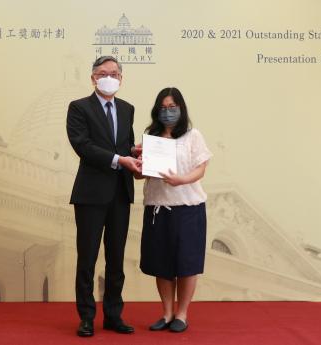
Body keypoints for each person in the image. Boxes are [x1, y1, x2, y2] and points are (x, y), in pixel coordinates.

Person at [66, 56, 142, 337]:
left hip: (120, 193)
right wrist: (119, 159)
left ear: (121, 79)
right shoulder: (78, 108)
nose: (108, 77)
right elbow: (82, 145)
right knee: (87, 258)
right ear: (93, 78)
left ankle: (113, 315)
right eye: (102, 73)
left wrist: (137, 155)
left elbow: (124, 146)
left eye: (114, 73)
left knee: (116, 258)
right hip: (90, 193)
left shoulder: (127, 109)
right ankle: (86, 317)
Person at [136, 87, 212, 333]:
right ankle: (167, 312)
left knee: (186, 263)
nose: (168, 112)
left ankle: (182, 314)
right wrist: (137, 161)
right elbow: (141, 174)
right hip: (158, 207)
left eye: (172, 107)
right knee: (162, 263)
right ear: (157, 111)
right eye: (163, 108)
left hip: (188, 208)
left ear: (181, 108)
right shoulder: (152, 137)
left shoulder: (192, 135)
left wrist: (183, 179)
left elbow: (201, 168)